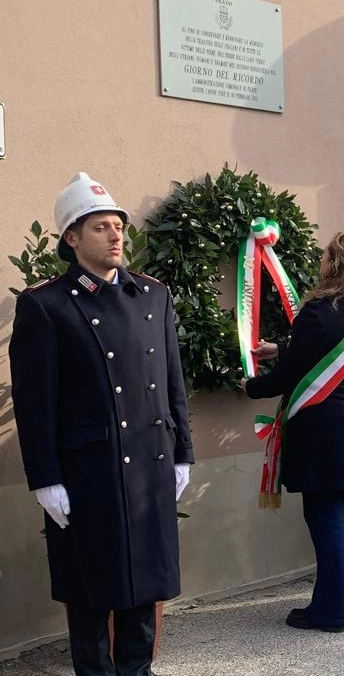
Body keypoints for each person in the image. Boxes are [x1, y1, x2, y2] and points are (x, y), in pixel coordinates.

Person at [11, 172, 193, 676]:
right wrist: (45, 477)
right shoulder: (46, 305)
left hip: (151, 465)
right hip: (87, 474)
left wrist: (183, 452)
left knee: (145, 589)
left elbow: (171, 378)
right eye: (99, 228)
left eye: (118, 225)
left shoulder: (152, 295)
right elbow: (34, 402)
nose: (115, 236)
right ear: (72, 238)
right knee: (91, 592)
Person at [243, 232, 344, 632]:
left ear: (332, 262)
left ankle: (331, 610)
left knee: (326, 516)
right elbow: (316, 352)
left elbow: (293, 375)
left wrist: (250, 386)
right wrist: (281, 348)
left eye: (325, 255)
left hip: (328, 430)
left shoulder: (318, 310)